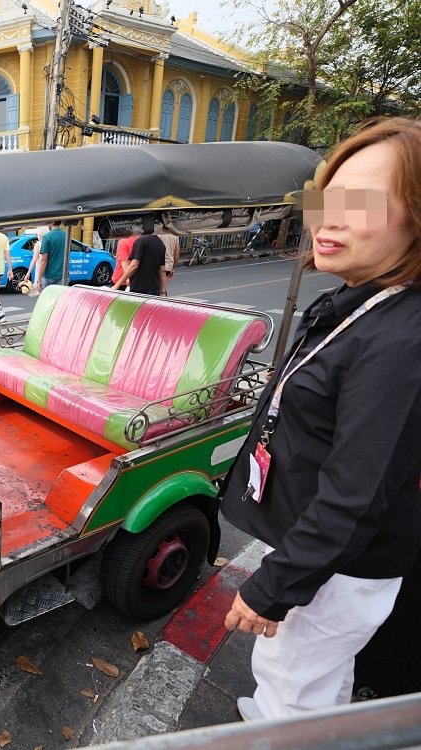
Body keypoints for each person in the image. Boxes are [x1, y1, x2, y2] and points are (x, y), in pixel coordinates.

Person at [220, 118, 421, 722]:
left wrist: (275, 586)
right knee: (313, 678)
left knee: (290, 683)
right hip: (325, 555)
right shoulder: (363, 300)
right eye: (325, 198)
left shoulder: (400, 339)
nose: (327, 219)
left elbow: (355, 494)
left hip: (339, 568)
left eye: (359, 203)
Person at [35, 222, 66, 291]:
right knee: (59, 300)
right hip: (63, 275)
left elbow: (44, 259)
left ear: (52, 222)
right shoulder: (66, 235)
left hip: (48, 275)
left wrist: (39, 279)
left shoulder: (47, 237)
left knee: (46, 300)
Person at [160, 230, 180, 294]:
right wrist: (173, 268)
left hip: (158, 265)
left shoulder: (157, 233)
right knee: (163, 288)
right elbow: (177, 252)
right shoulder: (174, 233)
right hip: (168, 265)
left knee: (158, 289)